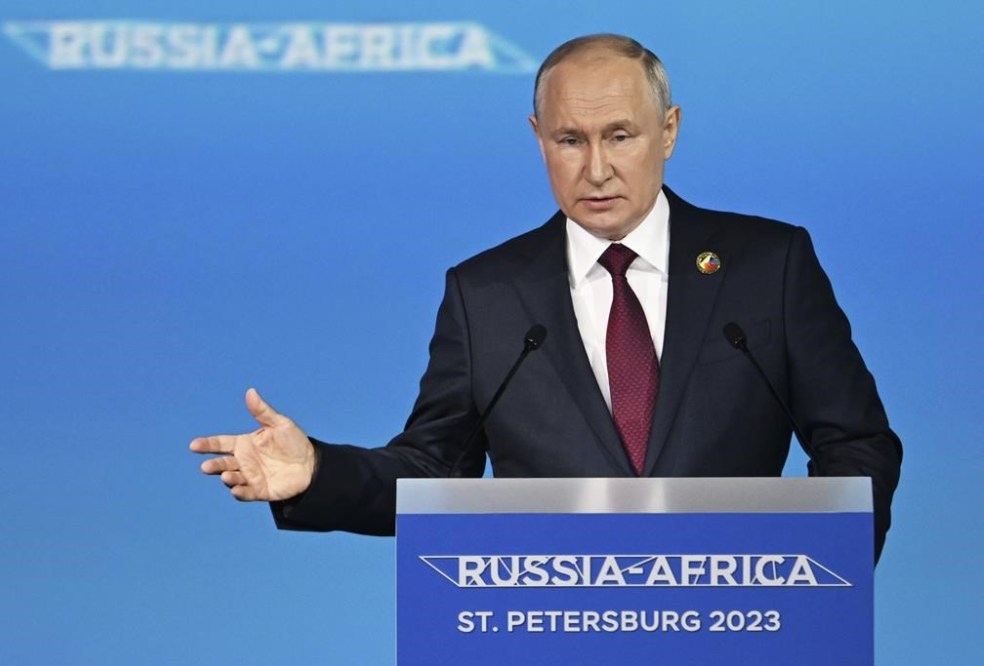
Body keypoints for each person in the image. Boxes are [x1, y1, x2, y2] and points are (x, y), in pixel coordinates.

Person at [190, 34, 901, 562]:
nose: (596, 168)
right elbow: (436, 470)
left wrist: (815, 575)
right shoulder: (487, 295)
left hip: (739, 630)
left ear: (670, 131)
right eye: (569, 139)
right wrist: (318, 470)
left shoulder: (766, 266)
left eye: (620, 135)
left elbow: (857, 443)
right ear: (538, 139)